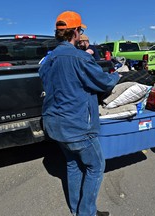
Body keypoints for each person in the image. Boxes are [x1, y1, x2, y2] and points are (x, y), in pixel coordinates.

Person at [39, 11, 120, 216]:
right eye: (80, 30)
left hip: (54, 124)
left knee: (73, 164)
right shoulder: (79, 57)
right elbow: (102, 82)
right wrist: (117, 75)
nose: (80, 33)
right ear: (75, 31)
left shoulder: (48, 59)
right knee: (96, 166)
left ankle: (77, 210)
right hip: (77, 126)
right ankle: (87, 213)